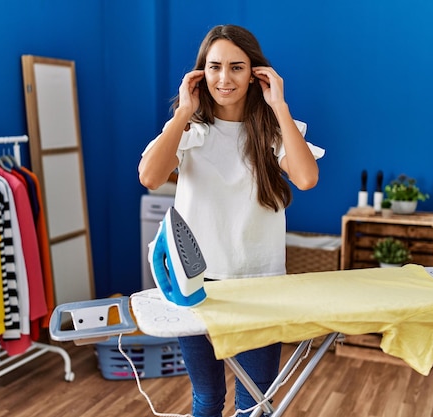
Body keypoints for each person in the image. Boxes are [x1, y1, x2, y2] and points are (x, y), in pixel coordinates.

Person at [138, 24, 325, 417]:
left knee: (255, 403)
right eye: (215, 67)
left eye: (237, 67)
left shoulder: (274, 131)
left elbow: (307, 178)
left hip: (261, 286)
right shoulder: (189, 131)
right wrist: (183, 113)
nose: (224, 79)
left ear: (255, 73)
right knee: (207, 397)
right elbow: (151, 178)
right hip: (196, 286)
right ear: (200, 74)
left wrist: (280, 106)